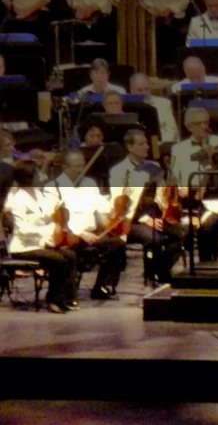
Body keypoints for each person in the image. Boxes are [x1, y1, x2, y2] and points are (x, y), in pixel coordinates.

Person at [45, 149, 126, 301]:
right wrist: (80, 233)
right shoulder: (53, 187)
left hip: (92, 234)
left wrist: (112, 217)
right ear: (65, 167)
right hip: (68, 236)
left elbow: (101, 208)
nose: (80, 170)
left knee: (118, 244)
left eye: (82, 166)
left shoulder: (90, 183)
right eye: (76, 166)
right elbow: (52, 218)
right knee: (70, 248)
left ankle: (102, 286)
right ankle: (65, 290)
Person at [4, 160, 78, 313]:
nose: (41, 177)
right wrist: (49, 229)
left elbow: (51, 211)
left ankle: (67, 298)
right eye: (38, 174)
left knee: (70, 255)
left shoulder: (41, 194)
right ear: (29, 177)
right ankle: (54, 299)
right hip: (24, 247)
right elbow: (22, 229)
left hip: (41, 243)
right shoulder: (17, 199)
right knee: (58, 259)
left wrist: (59, 208)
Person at [109, 128, 179, 284]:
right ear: (130, 147)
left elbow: (160, 197)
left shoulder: (154, 167)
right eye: (141, 144)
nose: (147, 147)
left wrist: (168, 195)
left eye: (146, 143)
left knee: (180, 233)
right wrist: (145, 219)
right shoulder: (119, 171)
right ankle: (152, 274)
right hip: (131, 221)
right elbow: (119, 205)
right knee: (153, 238)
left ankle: (162, 269)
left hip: (154, 215)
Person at [169, 106, 218, 262]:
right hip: (189, 198)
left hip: (212, 197)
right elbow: (173, 177)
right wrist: (180, 189)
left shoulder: (217, 142)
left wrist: (211, 154)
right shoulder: (179, 149)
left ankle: (207, 263)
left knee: (208, 228)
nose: (204, 126)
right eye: (199, 123)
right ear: (189, 127)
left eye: (206, 122)